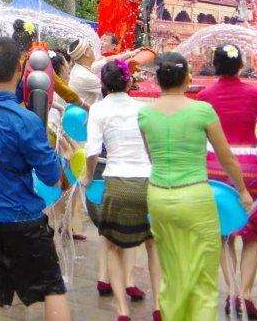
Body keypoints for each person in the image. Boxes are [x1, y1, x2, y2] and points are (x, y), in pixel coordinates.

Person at [0, 36, 70, 320]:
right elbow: (49, 176)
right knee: (52, 288)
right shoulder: (25, 121)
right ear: (21, 68)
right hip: (21, 217)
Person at [137, 53, 252, 320]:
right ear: (187, 77)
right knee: (202, 277)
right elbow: (226, 158)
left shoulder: (145, 114)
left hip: (158, 198)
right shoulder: (201, 110)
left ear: (158, 80)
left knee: (172, 273)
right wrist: (243, 191)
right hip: (194, 198)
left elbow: (152, 157)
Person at [197, 43, 257, 319]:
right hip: (249, 169)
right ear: (240, 65)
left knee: (223, 233)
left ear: (215, 66)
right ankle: (245, 293)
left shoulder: (204, 96)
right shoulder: (256, 94)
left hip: (214, 169)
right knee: (253, 236)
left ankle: (231, 290)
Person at [82, 59, 161, 321]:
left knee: (114, 246)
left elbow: (92, 151)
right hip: (147, 182)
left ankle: (122, 311)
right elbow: (153, 149)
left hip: (116, 182)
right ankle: (159, 306)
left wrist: (86, 178)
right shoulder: (143, 108)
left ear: (103, 85)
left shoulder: (98, 110)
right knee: (152, 245)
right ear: (129, 82)